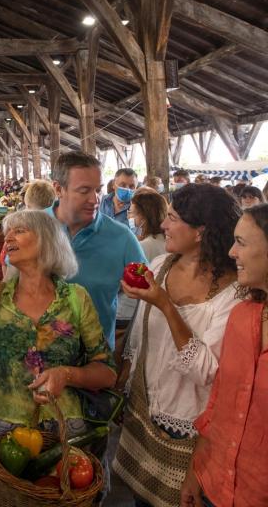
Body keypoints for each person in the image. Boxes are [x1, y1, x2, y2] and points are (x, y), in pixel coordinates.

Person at [0, 210, 116, 493]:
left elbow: (107, 372)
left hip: (69, 430)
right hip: (5, 429)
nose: (8, 237)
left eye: (20, 230)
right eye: (8, 231)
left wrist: (66, 374)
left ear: (48, 241)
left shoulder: (76, 299)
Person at [114, 184, 240, 507]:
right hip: (145, 415)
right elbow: (141, 341)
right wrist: (123, 375)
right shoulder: (160, 268)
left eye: (172, 218)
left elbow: (208, 373)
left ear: (200, 231)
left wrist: (165, 305)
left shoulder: (232, 295)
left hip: (190, 434)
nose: (164, 225)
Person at [181, 204, 268, 507]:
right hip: (216, 484)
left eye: (241, 243)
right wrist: (196, 470)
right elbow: (219, 402)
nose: (231, 252)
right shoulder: (243, 315)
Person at [52, 152, 147, 349]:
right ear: (58, 189)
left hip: (95, 361)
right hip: (34, 359)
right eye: (84, 190)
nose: (95, 200)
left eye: (97, 190)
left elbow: (146, 287)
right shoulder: (31, 229)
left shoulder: (122, 238)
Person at [128, 189, 168, 262]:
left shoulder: (143, 246)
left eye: (131, 212)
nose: (128, 217)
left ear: (144, 217)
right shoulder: (167, 241)